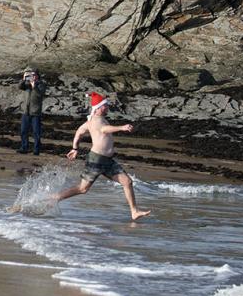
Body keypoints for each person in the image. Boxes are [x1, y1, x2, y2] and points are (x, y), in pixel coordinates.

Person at [47, 92, 149, 221]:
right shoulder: (96, 121)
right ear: (99, 107)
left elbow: (79, 132)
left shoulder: (95, 120)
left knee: (127, 182)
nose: (107, 107)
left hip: (107, 161)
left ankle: (134, 211)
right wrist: (121, 127)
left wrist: (75, 148)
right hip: (96, 160)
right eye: (105, 105)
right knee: (82, 189)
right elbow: (104, 130)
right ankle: (54, 198)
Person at [18, 68, 47, 155]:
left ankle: (36, 150)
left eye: (34, 75)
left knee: (36, 132)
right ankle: (24, 147)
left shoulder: (41, 84)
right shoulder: (26, 84)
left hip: (36, 112)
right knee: (23, 131)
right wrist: (24, 79)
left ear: (37, 76)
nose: (32, 77)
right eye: (31, 75)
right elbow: (20, 86)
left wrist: (34, 86)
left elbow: (40, 94)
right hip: (26, 112)